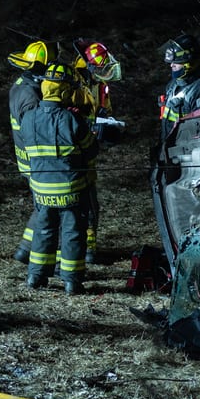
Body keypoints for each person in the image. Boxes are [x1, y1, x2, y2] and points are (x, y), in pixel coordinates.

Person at [21, 62, 99, 295]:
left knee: (43, 231)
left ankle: (35, 276)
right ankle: (71, 281)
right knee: (73, 233)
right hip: (71, 189)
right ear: (65, 91)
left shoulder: (28, 118)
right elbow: (90, 150)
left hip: (41, 190)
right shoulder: (70, 119)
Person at [69, 39, 123, 265]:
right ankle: (79, 249)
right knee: (79, 201)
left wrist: (108, 122)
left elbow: (105, 109)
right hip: (72, 150)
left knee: (90, 201)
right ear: (89, 67)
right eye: (101, 68)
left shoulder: (99, 84)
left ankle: (88, 248)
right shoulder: (72, 83)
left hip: (89, 147)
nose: (106, 72)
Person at [7, 40, 55, 264]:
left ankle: (25, 249)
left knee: (42, 206)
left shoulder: (20, 85)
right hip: (35, 162)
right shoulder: (31, 96)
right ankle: (33, 253)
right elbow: (36, 130)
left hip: (27, 160)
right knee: (46, 207)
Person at [159, 34, 200, 142]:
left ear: (190, 62)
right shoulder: (173, 85)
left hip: (186, 149)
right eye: (171, 62)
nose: (172, 65)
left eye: (177, 62)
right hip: (169, 145)